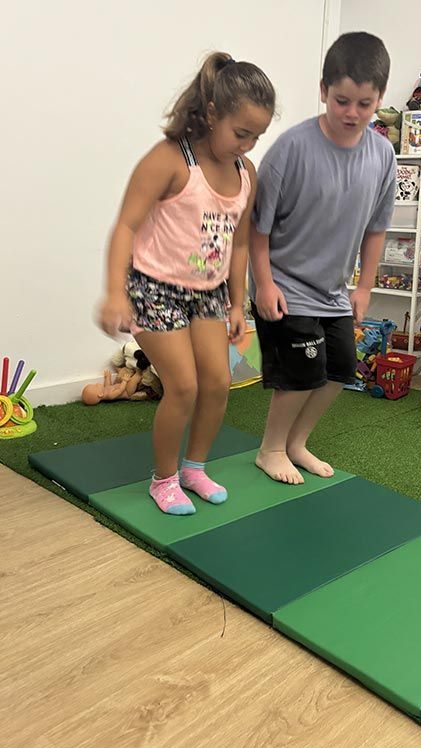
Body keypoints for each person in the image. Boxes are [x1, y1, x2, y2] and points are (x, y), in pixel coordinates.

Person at [99, 52, 275, 515]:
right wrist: (115, 291)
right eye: (241, 134)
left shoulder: (245, 173)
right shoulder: (170, 160)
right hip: (153, 287)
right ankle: (163, 479)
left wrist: (239, 304)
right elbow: (125, 226)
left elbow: (237, 245)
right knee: (183, 386)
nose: (248, 145)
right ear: (212, 112)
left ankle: (194, 468)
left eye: (257, 136)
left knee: (217, 382)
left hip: (209, 292)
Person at [249, 32, 396, 484]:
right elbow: (257, 230)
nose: (352, 113)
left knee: (339, 370)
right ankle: (271, 448)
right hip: (285, 284)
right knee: (301, 373)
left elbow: (376, 228)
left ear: (379, 100)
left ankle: (297, 443)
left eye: (364, 104)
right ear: (323, 91)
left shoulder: (383, 155)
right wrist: (265, 284)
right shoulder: (291, 149)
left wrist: (365, 285)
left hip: (332, 289)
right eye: (341, 100)